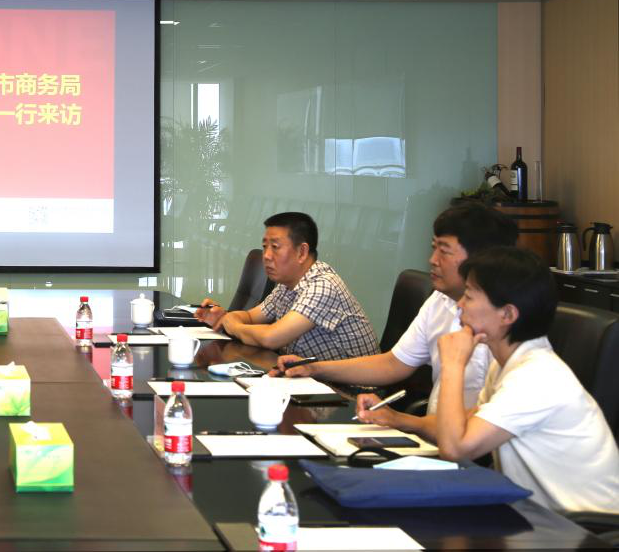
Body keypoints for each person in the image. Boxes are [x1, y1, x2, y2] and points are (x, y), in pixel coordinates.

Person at [274, 203, 517, 437]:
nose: (432, 259)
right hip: (432, 435)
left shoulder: (503, 323)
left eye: (444, 251)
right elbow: (393, 364)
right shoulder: (439, 301)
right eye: (433, 248)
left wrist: (403, 421)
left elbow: (477, 430)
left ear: (481, 259)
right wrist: (314, 368)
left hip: (471, 445)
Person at [427, 246, 619, 514]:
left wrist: (453, 365)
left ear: (507, 314)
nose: (459, 305)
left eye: (468, 296)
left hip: (583, 529)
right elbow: (462, 424)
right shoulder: (507, 364)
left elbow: (456, 448)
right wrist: (396, 420)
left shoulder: (537, 377)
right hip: (539, 518)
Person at [195, 212, 378, 362]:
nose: (266, 255)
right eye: (265, 246)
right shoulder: (286, 285)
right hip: (310, 380)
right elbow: (250, 316)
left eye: (275, 247)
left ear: (302, 252)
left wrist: (232, 325)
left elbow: (271, 338)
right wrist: (227, 318)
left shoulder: (323, 285)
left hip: (352, 391)